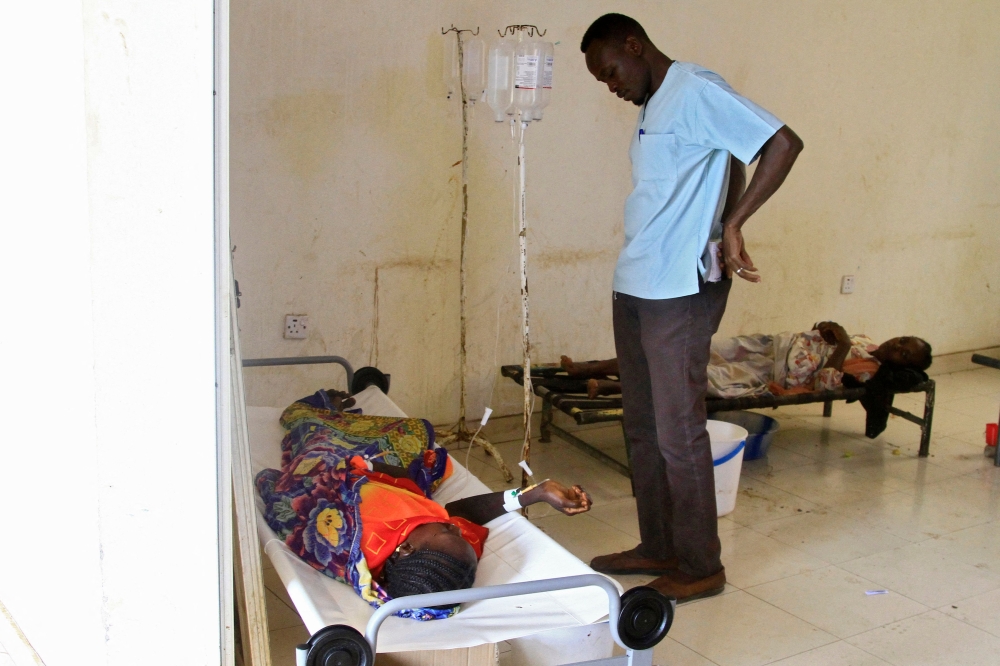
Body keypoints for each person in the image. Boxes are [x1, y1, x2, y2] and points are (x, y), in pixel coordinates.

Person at [580, 13, 803, 602]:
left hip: (677, 288)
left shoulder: (696, 89)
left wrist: (732, 223)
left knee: (678, 431)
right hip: (638, 279)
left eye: (610, 72)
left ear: (635, 45)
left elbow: (781, 143)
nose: (612, 85)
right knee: (643, 425)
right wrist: (719, 213)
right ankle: (658, 544)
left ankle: (701, 564)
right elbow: (726, 161)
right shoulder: (656, 105)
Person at [256, 389, 592, 619]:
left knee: (318, 434)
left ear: (406, 551)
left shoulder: (360, 534)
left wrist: (366, 466)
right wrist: (536, 493)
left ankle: (319, 407)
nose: (452, 525)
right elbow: (458, 513)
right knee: (412, 434)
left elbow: (308, 491)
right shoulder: (439, 547)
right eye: (456, 532)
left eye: (448, 532)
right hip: (379, 476)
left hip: (334, 472)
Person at [561, 323, 933, 399]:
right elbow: (818, 336)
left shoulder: (869, 373)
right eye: (902, 340)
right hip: (770, 344)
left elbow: (824, 384)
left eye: (903, 353)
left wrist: (842, 344)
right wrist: (825, 329)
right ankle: (589, 369)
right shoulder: (866, 343)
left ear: (903, 366)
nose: (895, 347)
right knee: (685, 351)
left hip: (767, 372)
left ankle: (614, 386)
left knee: (696, 377)